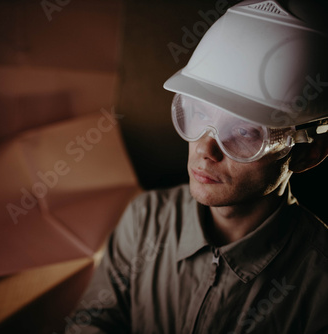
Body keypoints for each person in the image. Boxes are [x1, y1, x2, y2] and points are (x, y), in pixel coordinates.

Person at [65, 0, 328, 333]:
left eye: (245, 131)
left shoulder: (319, 286)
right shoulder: (146, 221)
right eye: (199, 114)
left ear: (309, 153)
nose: (205, 148)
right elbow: (91, 322)